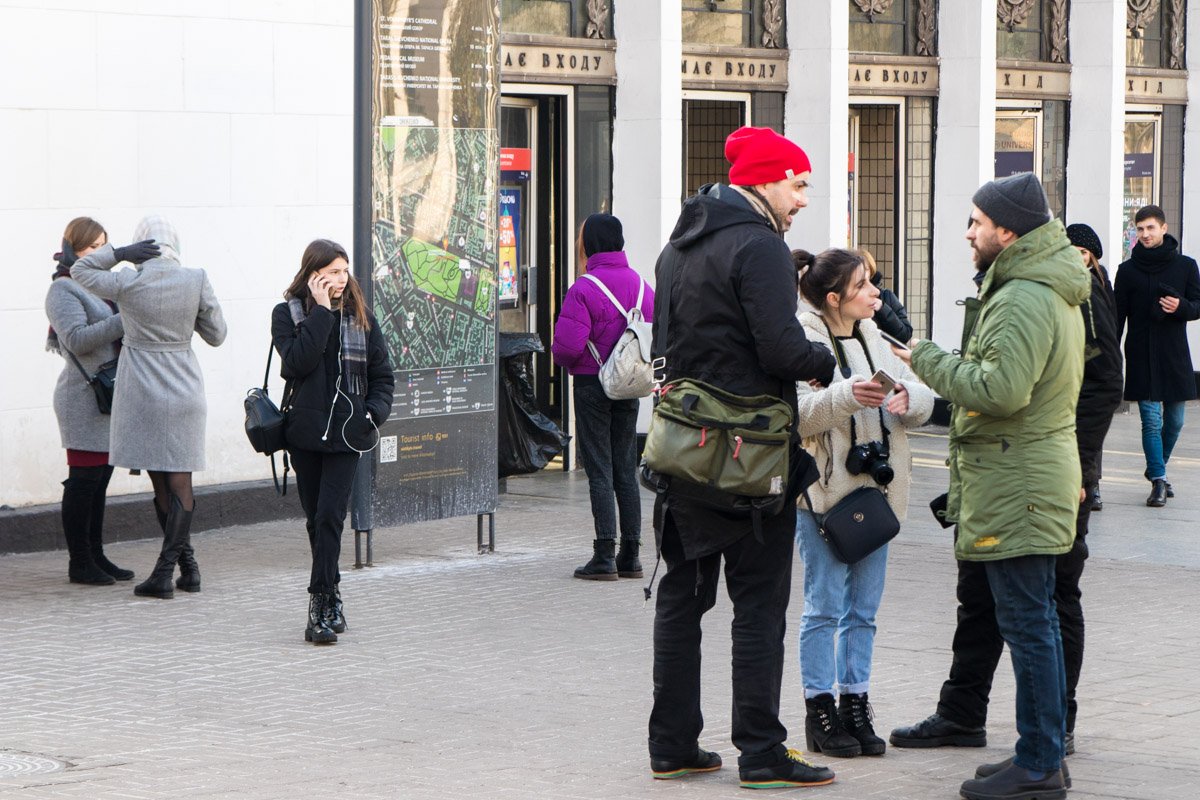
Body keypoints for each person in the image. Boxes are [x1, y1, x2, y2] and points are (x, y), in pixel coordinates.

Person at [888, 220, 1122, 768]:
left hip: (1039, 473)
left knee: (1047, 602)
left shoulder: (1048, 294)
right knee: (983, 596)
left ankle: (1051, 730)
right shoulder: (1004, 288)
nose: (966, 232)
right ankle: (964, 712)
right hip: (999, 471)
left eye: (976, 223)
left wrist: (1082, 468)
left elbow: (1100, 384)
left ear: (1009, 232)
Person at [647, 126, 838, 789]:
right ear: (764, 179)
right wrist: (823, 357)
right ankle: (761, 754)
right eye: (797, 182)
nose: (802, 199)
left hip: (684, 454)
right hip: (750, 462)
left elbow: (666, 349)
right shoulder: (759, 247)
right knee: (758, 608)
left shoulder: (679, 243)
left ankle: (672, 746)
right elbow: (784, 351)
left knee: (683, 596)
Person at [790, 248, 933, 760]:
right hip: (826, 496)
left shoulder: (874, 334)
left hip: (879, 495)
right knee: (824, 607)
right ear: (834, 299)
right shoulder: (805, 336)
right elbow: (800, 416)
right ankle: (819, 708)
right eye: (864, 286)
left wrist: (906, 401)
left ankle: (855, 702)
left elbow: (922, 394)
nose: (876, 294)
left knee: (864, 612)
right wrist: (852, 394)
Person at [71, 215, 227, 599]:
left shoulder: (128, 278)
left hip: (142, 389)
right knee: (180, 479)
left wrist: (121, 253)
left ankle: (167, 572)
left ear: (143, 245)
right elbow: (217, 335)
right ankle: (184, 569)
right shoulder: (196, 278)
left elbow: (79, 268)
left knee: (161, 479)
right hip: (184, 385)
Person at [272, 239, 395, 645]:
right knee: (315, 520)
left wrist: (371, 414)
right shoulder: (286, 314)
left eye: (344, 271)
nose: (341, 279)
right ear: (314, 274)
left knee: (330, 517)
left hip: (348, 435)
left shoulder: (362, 316)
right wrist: (322, 312)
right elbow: (297, 363)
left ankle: (319, 605)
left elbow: (383, 378)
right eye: (333, 272)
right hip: (305, 436)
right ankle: (334, 593)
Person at [551, 213, 653, 581]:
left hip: (593, 385)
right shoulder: (643, 286)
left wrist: (576, 359)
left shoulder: (583, 288)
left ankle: (604, 554)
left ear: (588, 244)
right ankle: (632, 555)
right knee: (626, 467)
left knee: (599, 468)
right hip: (629, 386)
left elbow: (566, 347)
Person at [45, 217, 131, 586]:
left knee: (100, 480)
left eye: (103, 245)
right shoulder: (63, 289)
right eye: (90, 247)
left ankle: (96, 555)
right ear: (72, 249)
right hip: (82, 396)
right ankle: (79, 562)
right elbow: (77, 339)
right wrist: (127, 318)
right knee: (83, 480)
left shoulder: (103, 287)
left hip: (110, 394)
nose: (98, 253)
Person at [1113, 204, 1200, 506]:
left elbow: (1197, 305)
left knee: (1175, 421)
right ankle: (1159, 481)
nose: (1145, 234)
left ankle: (1155, 468)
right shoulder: (1126, 271)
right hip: (1140, 353)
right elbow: (1117, 316)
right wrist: (1111, 353)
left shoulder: (1186, 266)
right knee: (1150, 421)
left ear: (1163, 228)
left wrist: (1182, 308)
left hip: (1174, 355)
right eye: (1140, 229)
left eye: (1151, 228)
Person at [859, 248, 913, 342]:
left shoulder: (886, 296)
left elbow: (905, 334)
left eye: (866, 269)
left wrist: (883, 309)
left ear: (871, 271)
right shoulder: (850, 299)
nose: (862, 274)